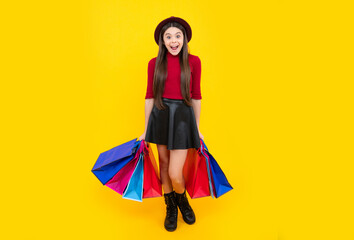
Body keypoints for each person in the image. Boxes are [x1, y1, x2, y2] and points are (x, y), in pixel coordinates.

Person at [138, 16, 204, 232]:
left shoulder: (194, 62)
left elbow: (196, 96)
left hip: (183, 119)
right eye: (168, 37)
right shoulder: (153, 64)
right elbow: (149, 96)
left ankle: (181, 199)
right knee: (164, 166)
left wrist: (197, 127)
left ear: (184, 39)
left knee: (176, 172)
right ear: (162, 41)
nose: (173, 41)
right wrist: (146, 129)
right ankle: (171, 207)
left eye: (178, 36)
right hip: (161, 114)